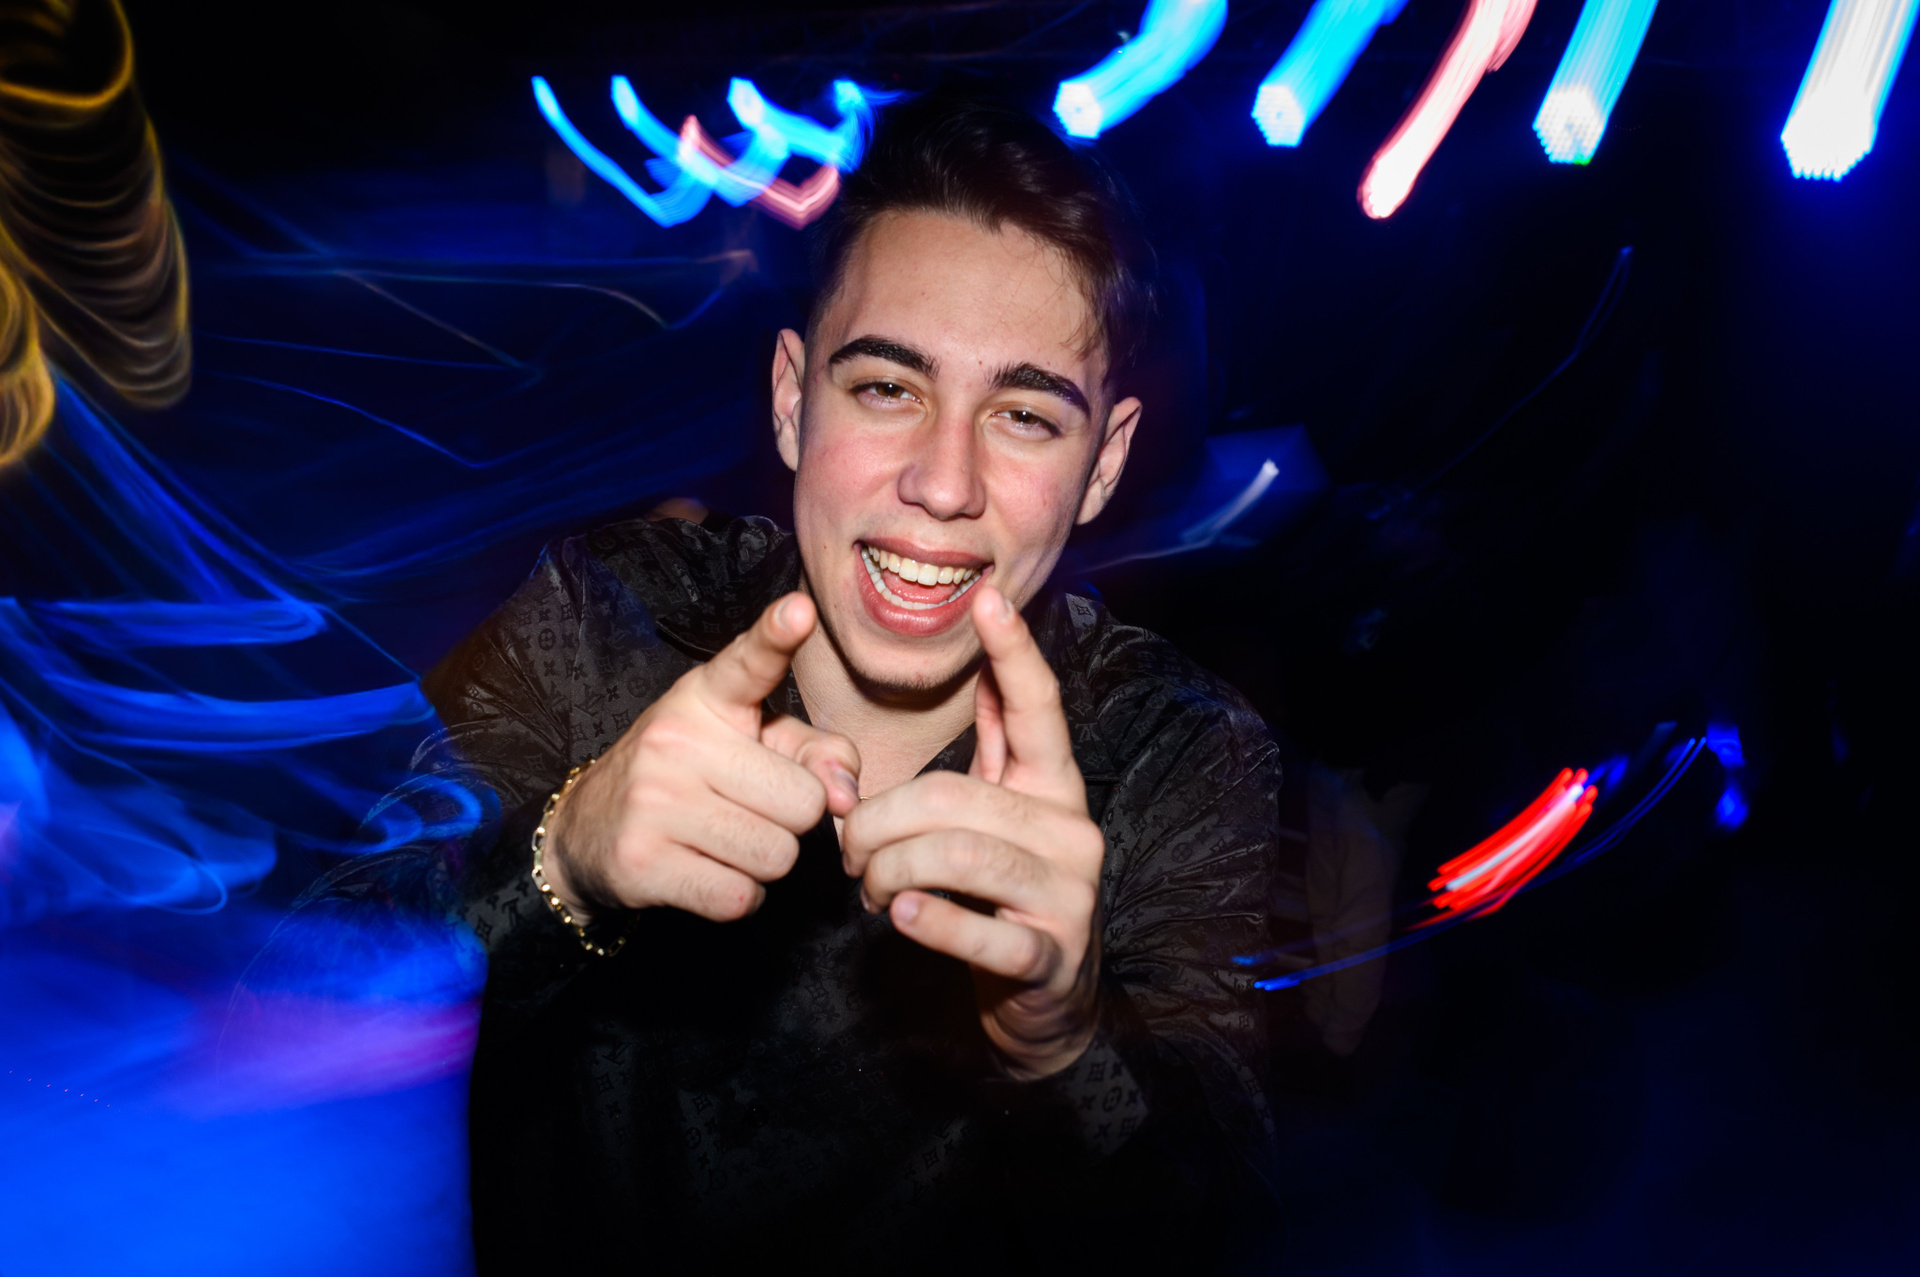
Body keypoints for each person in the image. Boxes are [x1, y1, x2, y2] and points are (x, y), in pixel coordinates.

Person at [293, 91, 1284, 1271]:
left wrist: (1063, 1037)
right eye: (888, 388)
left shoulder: (1173, 744)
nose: (945, 481)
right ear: (791, 398)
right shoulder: (605, 616)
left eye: (1024, 414)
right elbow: (304, 1000)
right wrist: (562, 862)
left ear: (1104, 463)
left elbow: (1216, 1212)